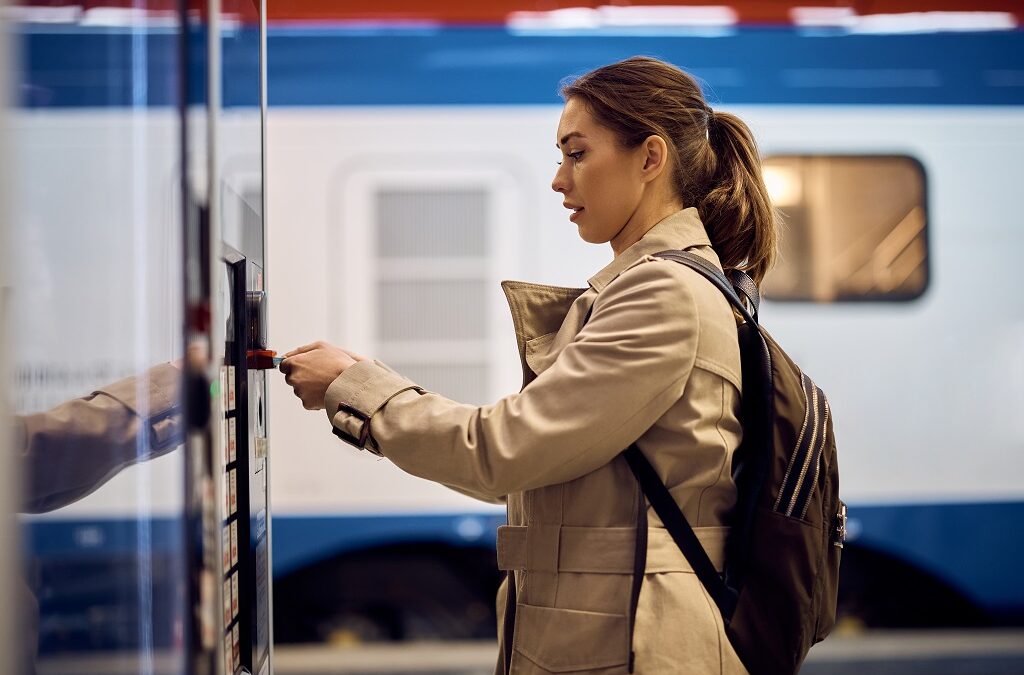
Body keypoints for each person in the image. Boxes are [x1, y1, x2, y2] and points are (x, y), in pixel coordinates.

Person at [281, 56, 777, 674]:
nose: (558, 180)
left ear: (651, 159)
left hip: (634, 650)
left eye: (576, 154)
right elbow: (523, 463)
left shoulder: (663, 295)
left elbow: (503, 450)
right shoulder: (656, 287)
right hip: (613, 638)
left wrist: (354, 388)